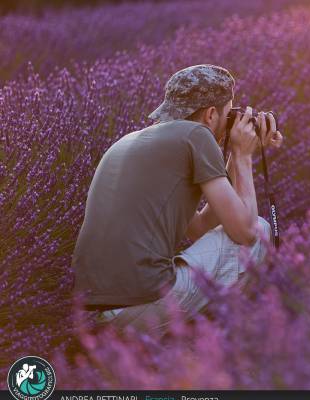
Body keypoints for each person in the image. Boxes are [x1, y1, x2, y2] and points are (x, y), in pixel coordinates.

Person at [71, 64, 284, 337]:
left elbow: (197, 228)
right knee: (260, 229)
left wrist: (233, 152)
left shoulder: (131, 140)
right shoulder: (197, 135)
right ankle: (217, 345)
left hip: (92, 313)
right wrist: (243, 156)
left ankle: (161, 346)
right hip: (144, 304)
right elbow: (243, 232)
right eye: (227, 113)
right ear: (210, 114)